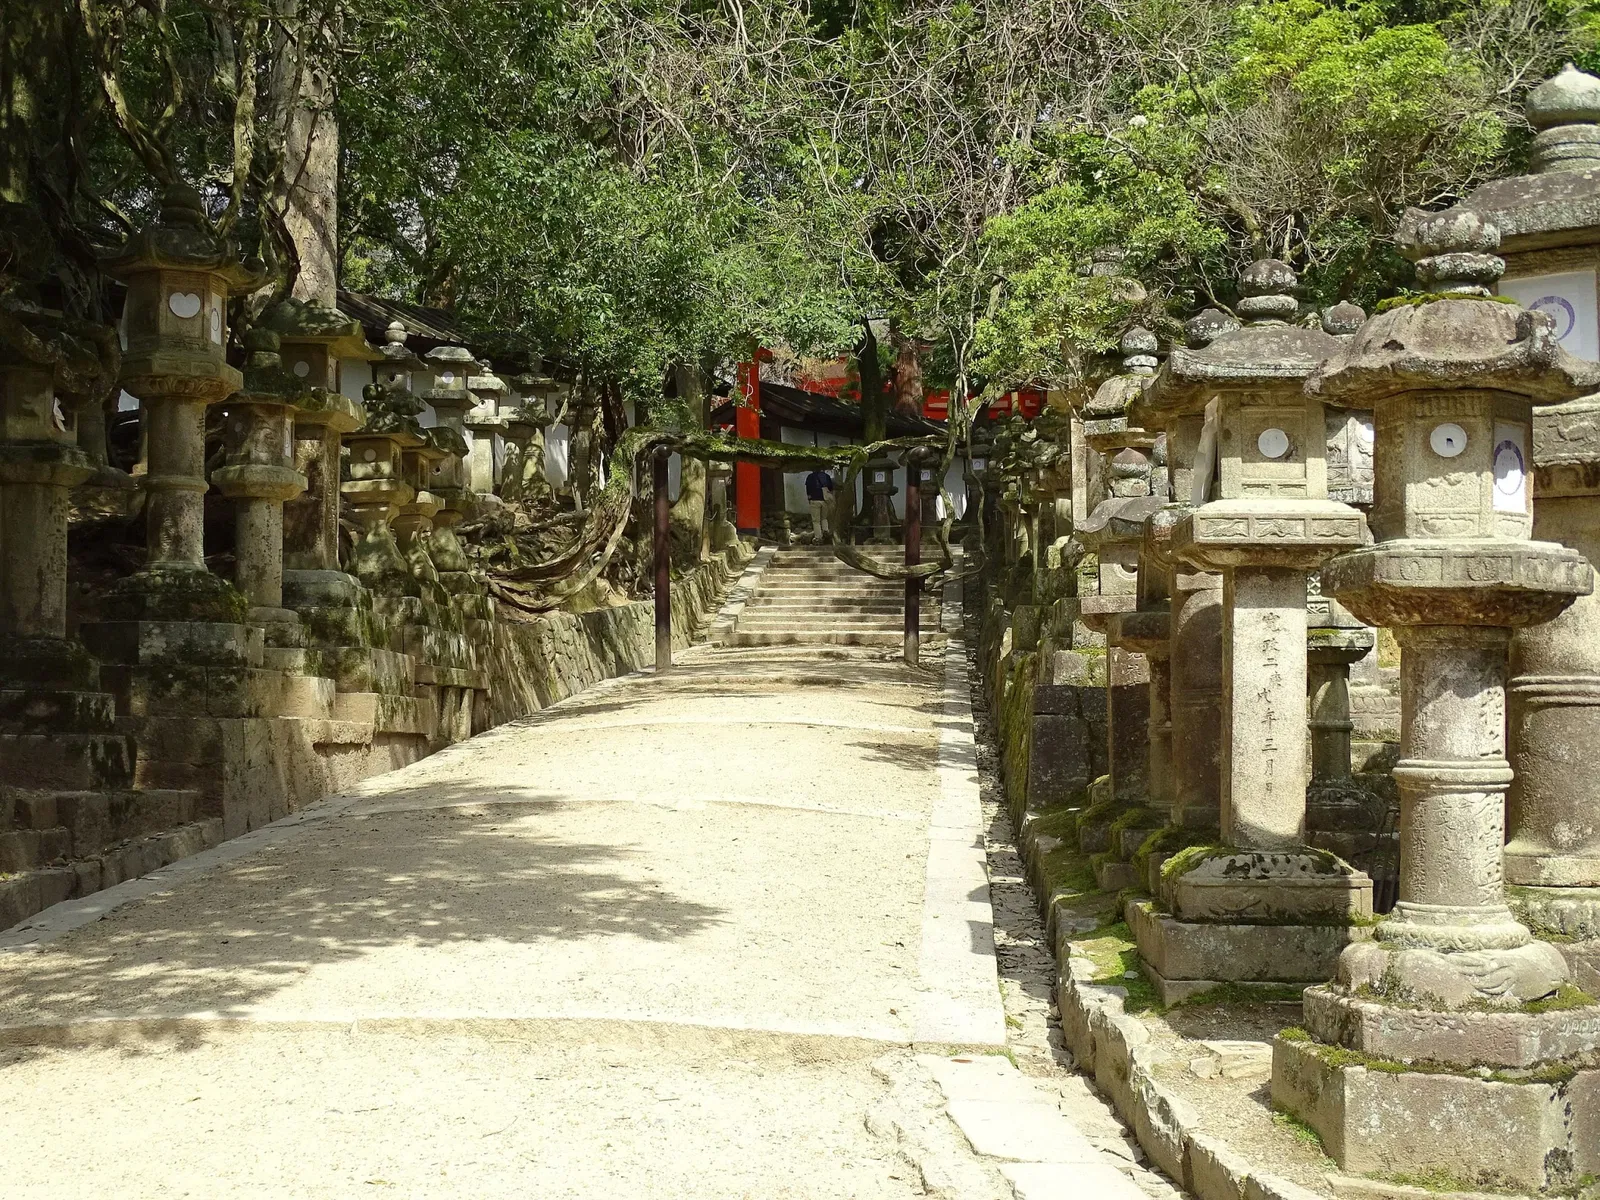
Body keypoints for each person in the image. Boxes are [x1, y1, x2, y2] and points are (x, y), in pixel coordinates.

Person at [804, 467, 835, 543]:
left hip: (814, 500)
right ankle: (825, 531)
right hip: (825, 500)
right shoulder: (826, 476)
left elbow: (808, 489)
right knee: (824, 518)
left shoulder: (810, 477)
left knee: (816, 521)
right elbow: (830, 488)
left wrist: (809, 498)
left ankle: (818, 537)